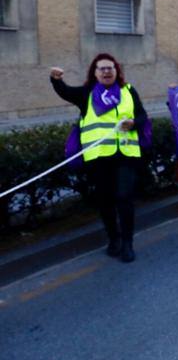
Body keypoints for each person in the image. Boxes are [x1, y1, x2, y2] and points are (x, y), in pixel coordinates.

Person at [50, 54, 148, 263]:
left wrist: (134, 123)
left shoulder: (128, 91)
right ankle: (114, 239)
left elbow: (142, 116)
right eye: (101, 68)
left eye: (110, 67)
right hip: (98, 157)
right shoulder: (86, 93)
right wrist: (56, 80)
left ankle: (128, 243)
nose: (106, 71)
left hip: (125, 154)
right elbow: (66, 92)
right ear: (94, 73)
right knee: (105, 200)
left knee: (124, 197)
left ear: (116, 71)